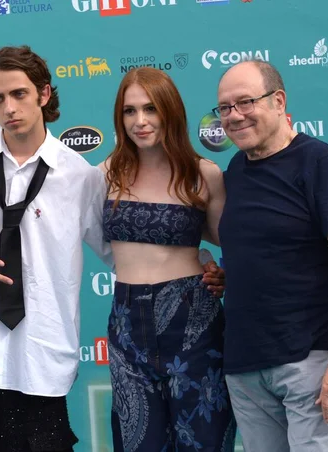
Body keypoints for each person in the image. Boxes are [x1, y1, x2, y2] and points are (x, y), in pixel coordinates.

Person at [0, 46, 225, 451]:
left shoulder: (81, 176)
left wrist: (203, 265)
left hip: (39, 357)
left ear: (44, 94)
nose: (9, 107)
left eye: (19, 94)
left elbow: (119, 246)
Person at [215, 60, 328, 452]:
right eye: (225, 108)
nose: (234, 116)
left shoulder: (319, 162)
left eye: (245, 102)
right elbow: (268, 250)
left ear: (278, 100)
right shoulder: (235, 169)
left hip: (309, 365)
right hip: (246, 366)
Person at [100, 67, 236, 451]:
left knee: (204, 441)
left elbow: (236, 244)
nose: (140, 121)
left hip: (194, 319)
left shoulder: (204, 174)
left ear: (171, 112)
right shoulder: (105, 174)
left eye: (151, 109)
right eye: (129, 111)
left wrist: (223, 271)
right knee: (137, 441)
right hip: (127, 323)